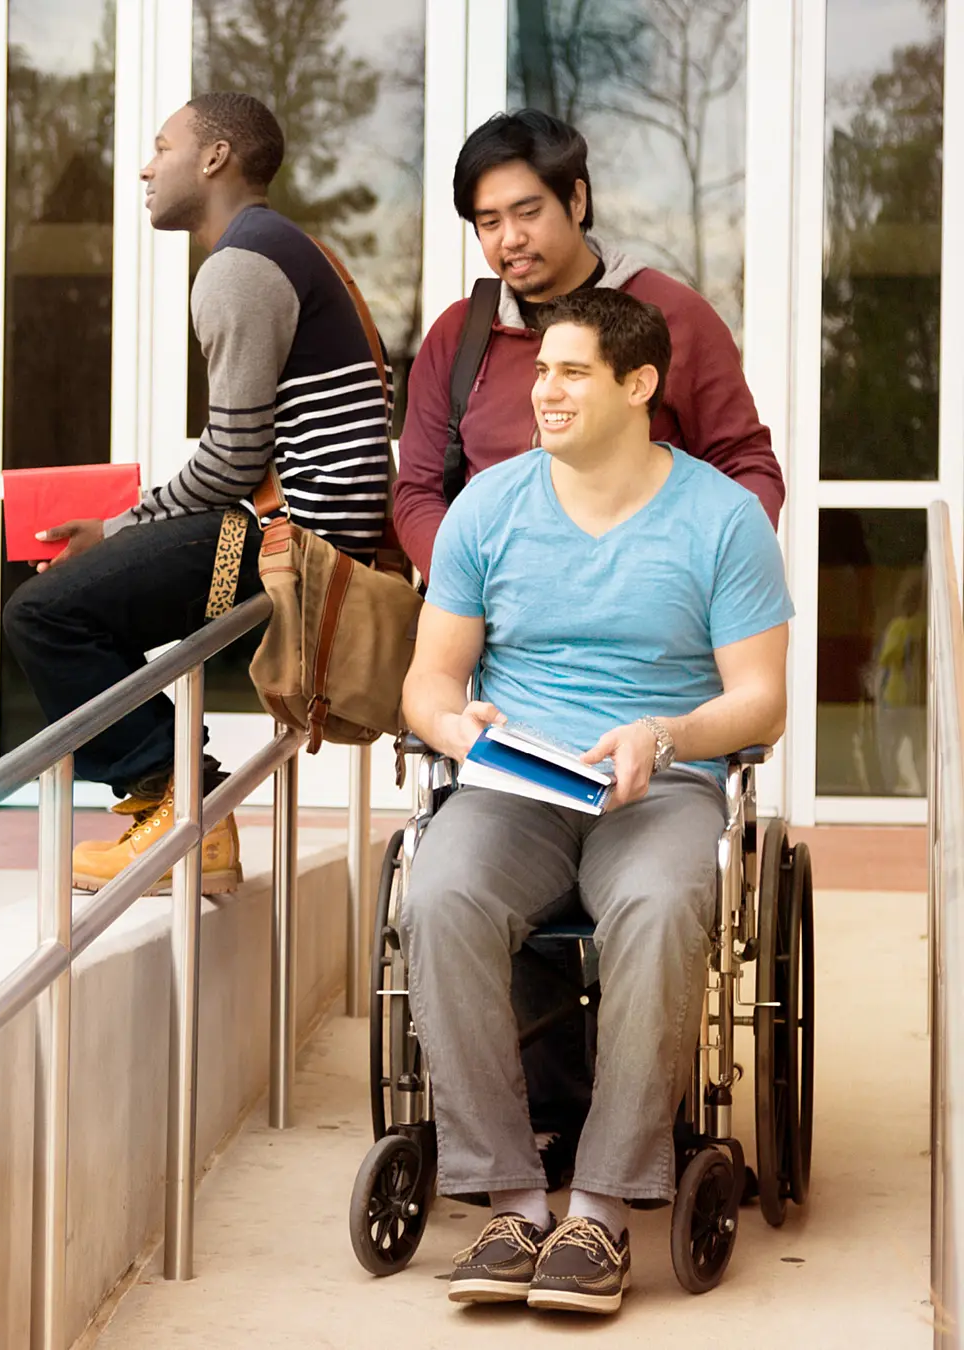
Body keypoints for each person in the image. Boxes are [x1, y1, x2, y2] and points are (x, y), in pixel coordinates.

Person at [400, 289, 789, 1316]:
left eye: (572, 372)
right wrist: (456, 729)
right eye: (541, 372)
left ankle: (604, 1208)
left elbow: (762, 699)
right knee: (437, 893)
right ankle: (516, 1200)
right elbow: (429, 683)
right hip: (518, 786)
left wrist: (664, 737)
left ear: (639, 385)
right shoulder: (491, 506)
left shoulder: (722, 518)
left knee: (661, 910)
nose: (546, 391)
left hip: (659, 788)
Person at [1, 93, 390, 891]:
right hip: (298, 527)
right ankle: (181, 805)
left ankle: (183, 807)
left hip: (292, 541)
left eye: (160, 145)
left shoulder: (241, 266)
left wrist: (114, 532)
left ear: (215, 159)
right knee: (79, 602)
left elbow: (233, 458)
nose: (145, 166)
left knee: (46, 613)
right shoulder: (277, 249)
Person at [393, 109, 784, 578]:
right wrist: (470, 588)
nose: (511, 238)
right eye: (489, 222)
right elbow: (418, 493)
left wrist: (705, 586)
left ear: (577, 200)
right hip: (493, 629)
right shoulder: (456, 335)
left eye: (529, 212)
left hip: (646, 625)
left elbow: (745, 464)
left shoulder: (675, 316)